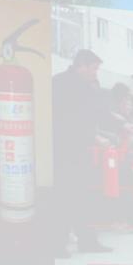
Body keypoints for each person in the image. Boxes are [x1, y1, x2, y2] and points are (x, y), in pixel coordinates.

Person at [52, 49, 110, 254]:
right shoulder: (60, 84)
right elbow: (67, 120)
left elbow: (96, 115)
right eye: (94, 69)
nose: (96, 73)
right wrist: (93, 137)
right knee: (64, 197)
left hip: (80, 151)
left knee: (84, 197)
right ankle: (57, 245)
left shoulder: (86, 87)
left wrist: (121, 125)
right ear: (81, 66)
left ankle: (88, 241)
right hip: (63, 150)